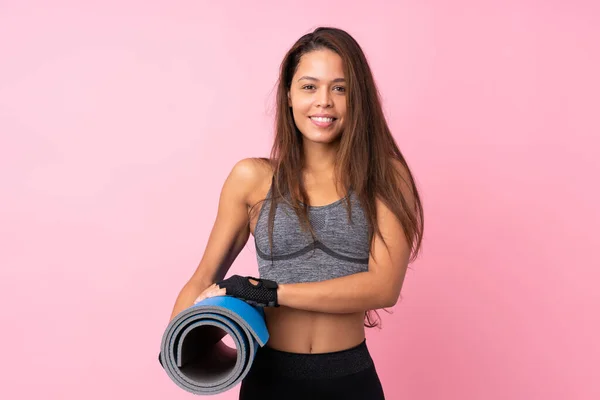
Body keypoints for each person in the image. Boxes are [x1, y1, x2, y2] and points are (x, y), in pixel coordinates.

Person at [166, 26, 424, 400]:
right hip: (270, 381)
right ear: (288, 95)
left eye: (340, 88)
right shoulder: (251, 178)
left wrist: (270, 292)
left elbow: (384, 288)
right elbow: (202, 279)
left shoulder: (383, 175)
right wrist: (176, 347)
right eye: (309, 86)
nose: (324, 101)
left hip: (349, 380)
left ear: (358, 98)